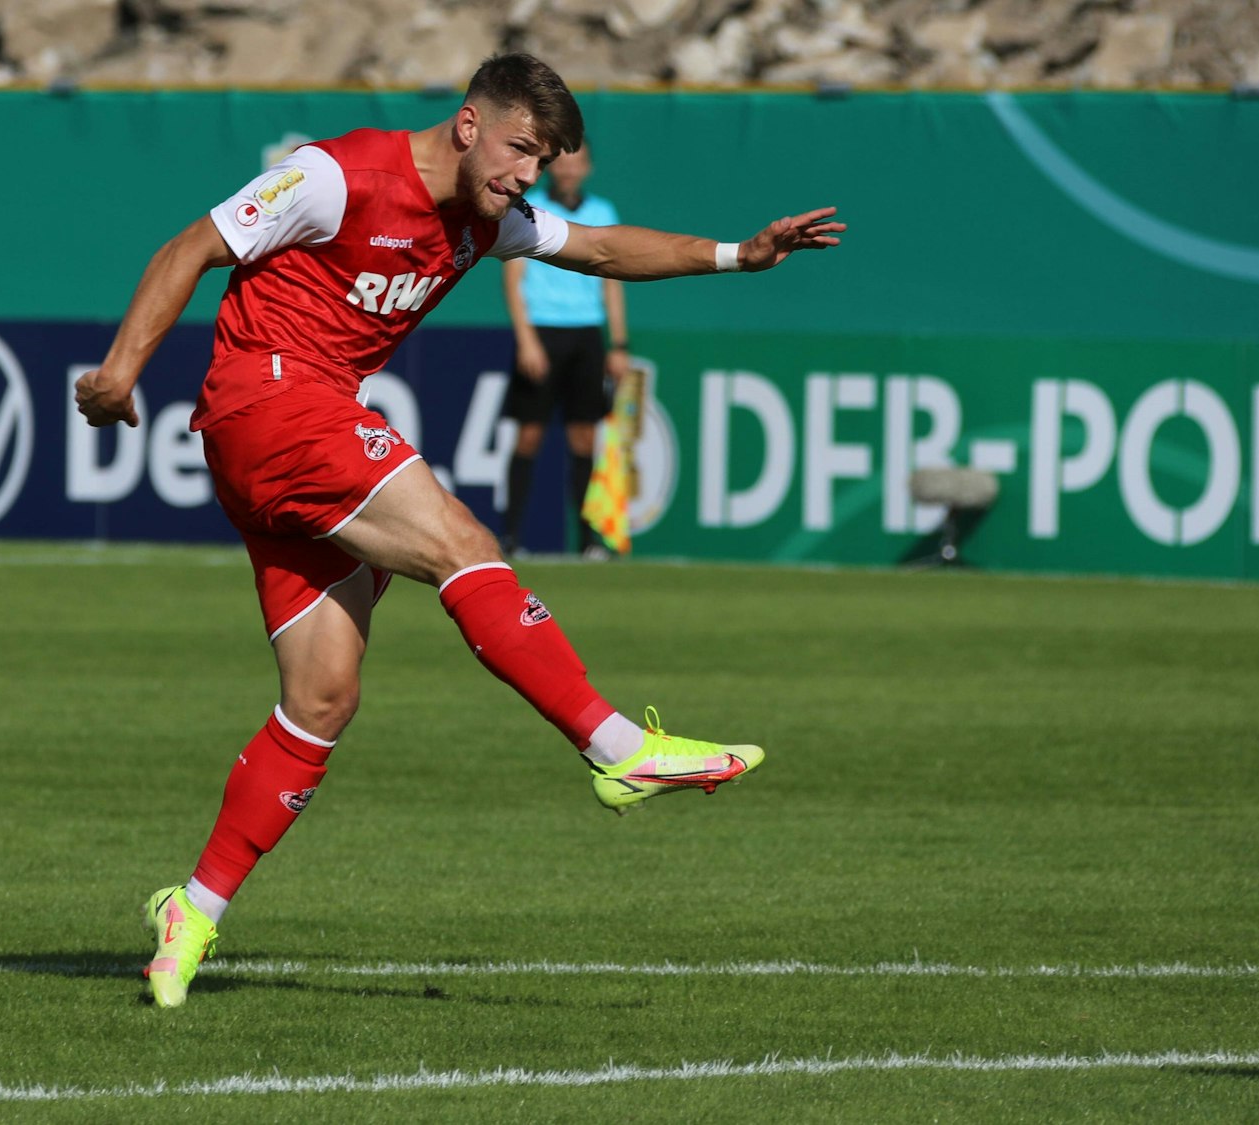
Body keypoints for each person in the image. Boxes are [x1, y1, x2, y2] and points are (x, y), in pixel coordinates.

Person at [73, 53, 844, 1009]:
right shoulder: (335, 176)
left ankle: (190, 910)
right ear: (472, 123)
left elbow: (602, 251)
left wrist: (739, 255)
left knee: (322, 699)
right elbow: (188, 245)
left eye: (546, 158)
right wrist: (118, 374)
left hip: (281, 447)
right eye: (523, 149)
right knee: (464, 543)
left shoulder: (488, 217)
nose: (529, 174)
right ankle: (615, 748)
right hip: (271, 403)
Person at [498, 143, 629, 559]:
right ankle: (511, 536)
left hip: (586, 334)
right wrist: (527, 340)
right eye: (563, 161)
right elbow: (513, 280)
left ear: (588, 167)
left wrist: (618, 344)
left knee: (585, 438)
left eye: (578, 161)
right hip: (543, 331)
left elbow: (613, 283)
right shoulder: (528, 208)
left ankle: (588, 539)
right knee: (529, 436)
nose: (570, 169)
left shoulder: (602, 214)